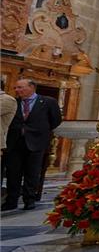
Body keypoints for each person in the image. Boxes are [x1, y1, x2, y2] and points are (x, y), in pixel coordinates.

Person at [2, 79, 62, 211]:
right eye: (16, 87)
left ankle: (29, 200)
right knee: (13, 172)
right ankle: (11, 200)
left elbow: (56, 120)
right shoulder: (14, 102)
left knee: (32, 172)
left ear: (32, 87)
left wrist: (40, 131)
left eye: (20, 87)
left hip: (36, 142)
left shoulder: (47, 102)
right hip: (15, 142)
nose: (17, 90)